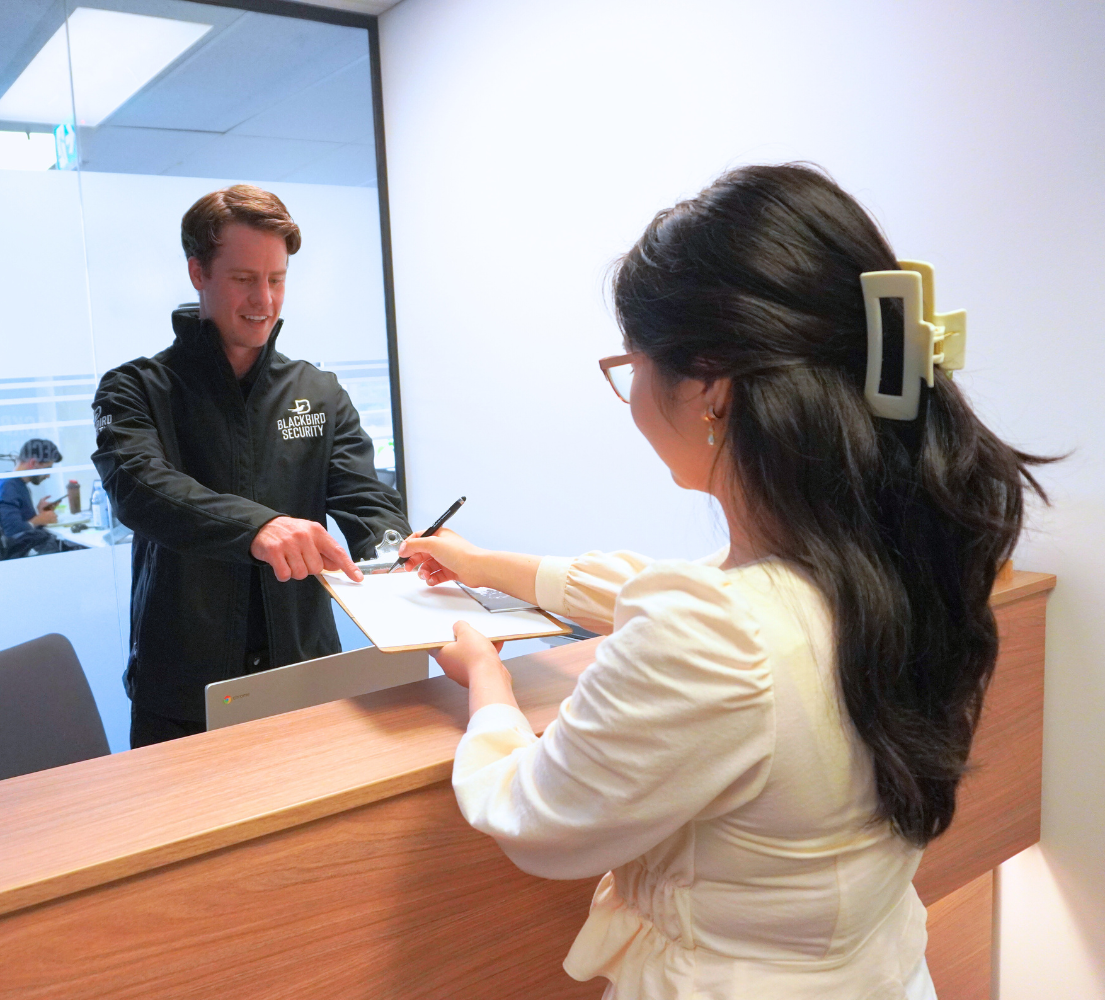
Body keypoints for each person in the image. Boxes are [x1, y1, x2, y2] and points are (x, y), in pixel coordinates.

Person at [396, 165, 1050, 999]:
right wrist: (487, 565)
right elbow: (684, 595)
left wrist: (486, 682)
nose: (629, 395)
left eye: (628, 363)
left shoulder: (714, 634)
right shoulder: (902, 561)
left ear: (708, 386)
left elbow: (536, 821)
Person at [92, 184, 409, 749]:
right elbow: (141, 489)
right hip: (185, 690)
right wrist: (258, 528)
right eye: (243, 279)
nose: (263, 299)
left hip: (306, 674)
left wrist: (403, 555)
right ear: (198, 272)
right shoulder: (136, 389)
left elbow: (368, 502)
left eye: (277, 278)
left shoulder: (318, 392)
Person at [0, 439, 66, 558]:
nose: (48, 475)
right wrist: (39, 519)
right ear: (33, 463)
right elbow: (13, 531)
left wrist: (40, 515)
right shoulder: (9, 486)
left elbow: (23, 525)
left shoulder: (16, 484)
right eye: (48, 468)